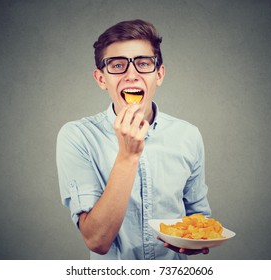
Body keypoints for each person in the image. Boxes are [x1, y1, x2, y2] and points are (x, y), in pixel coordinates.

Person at [56, 19, 211, 260]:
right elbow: (96, 240)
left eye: (143, 64)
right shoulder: (77, 136)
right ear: (101, 79)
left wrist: (196, 239)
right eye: (117, 65)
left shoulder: (188, 135)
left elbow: (199, 218)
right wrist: (128, 155)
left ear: (159, 74)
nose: (131, 75)